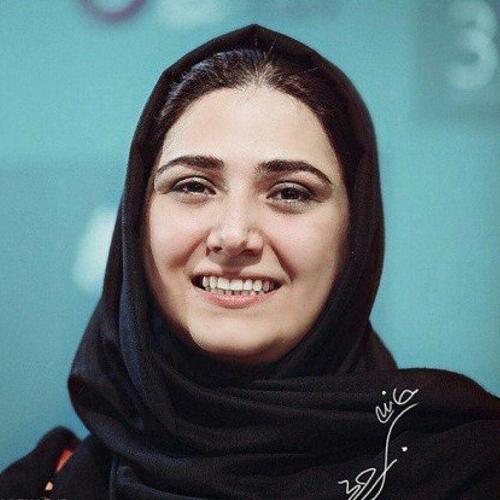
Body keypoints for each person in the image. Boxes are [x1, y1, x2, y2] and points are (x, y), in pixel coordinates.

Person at [1, 23, 499, 500]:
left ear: (356, 231)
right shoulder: (44, 486)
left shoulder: (470, 470)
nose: (234, 235)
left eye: (290, 192)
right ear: (137, 218)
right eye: (193, 185)